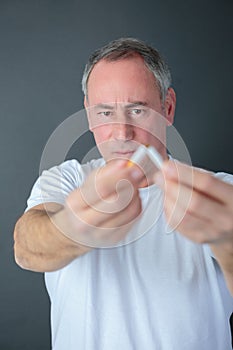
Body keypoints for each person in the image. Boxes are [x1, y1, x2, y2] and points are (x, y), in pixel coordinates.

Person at [14, 38, 233, 349]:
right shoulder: (65, 181)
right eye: (105, 113)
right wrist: (73, 228)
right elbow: (26, 248)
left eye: (138, 110)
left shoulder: (219, 194)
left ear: (167, 108)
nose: (121, 132)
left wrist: (228, 244)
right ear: (88, 115)